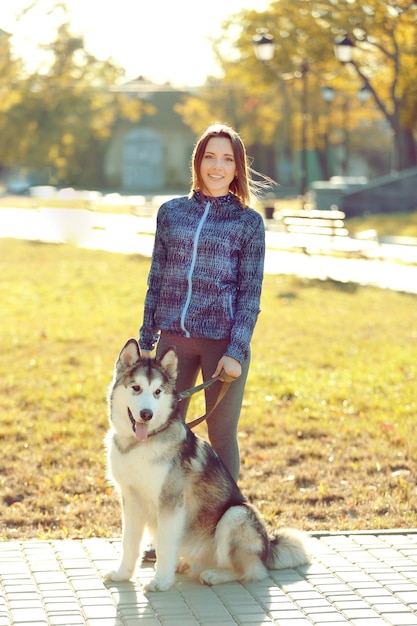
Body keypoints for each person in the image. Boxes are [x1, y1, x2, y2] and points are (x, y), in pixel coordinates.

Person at [139, 122, 266, 483]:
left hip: (222, 347)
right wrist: (148, 335)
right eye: (210, 156)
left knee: (221, 437)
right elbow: (157, 277)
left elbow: (249, 293)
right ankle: (166, 528)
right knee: (163, 434)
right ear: (198, 162)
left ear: (237, 168)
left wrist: (237, 350)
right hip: (173, 342)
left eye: (227, 159)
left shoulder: (248, 223)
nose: (217, 166)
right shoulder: (171, 213)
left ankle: (230, 526)